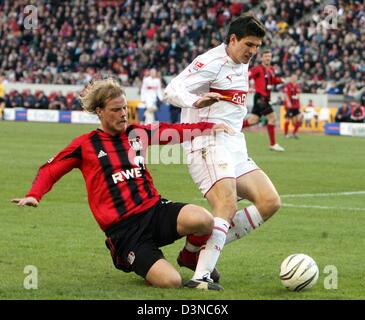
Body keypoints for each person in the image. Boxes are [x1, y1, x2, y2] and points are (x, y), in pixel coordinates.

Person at [12, 78, 233, 290]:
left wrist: (208, 127)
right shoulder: (86, 144)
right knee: (172, 282)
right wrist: (35, 194)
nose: (123, 114)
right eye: (116, 109)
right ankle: (126, 255)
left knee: (204, 220)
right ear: (100, 111)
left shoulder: (136, 134)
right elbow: (51, 169)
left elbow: (173, 131)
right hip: (125, 232)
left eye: (125, 108)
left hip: (154, 212)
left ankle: (189, 256)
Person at [164, 13, 281, 290]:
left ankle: (196, 246)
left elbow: (231, 109)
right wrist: (197, 100)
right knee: (226, 205)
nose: (253, 52)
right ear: (232, 39)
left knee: (269, 201)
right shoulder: (211, 62)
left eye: (257, 47)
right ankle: (200, 277)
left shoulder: (240, 64)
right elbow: (172, 90)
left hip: (234, 144)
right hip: (205, 141)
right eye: (249, 45)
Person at [242, 47, 285, 151]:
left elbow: (273, 80)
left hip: (265, 98)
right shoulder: (257, 69)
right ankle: (273, 144)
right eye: (265, 56)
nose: (267, 58)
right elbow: (247, 75)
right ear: (262, 58)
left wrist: (280, 81)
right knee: (272, 117)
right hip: (261, 97)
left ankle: (234, 127)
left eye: (269, 56)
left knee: (253, 120)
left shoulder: (271, 69)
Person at [283, 74, 302, 138]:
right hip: (290, 106)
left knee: (299, 118)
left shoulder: (297, 86)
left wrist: (298, 98)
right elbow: (285, 95)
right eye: (293, 77)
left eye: (296, 78)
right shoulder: (288, 85)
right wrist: (288, 102)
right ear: (291, 78)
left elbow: (299, 94)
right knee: (288, 119)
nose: (295, 79)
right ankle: (286, 134)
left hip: (296, 106)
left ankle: (294, 133)